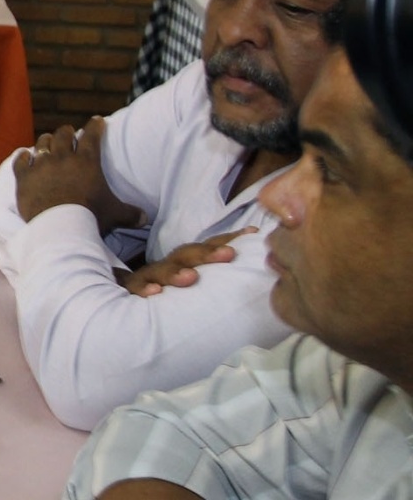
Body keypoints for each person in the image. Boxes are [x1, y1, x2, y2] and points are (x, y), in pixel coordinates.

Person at [0, 0, 410, 430]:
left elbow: (87, 379)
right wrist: (112, 287)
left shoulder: (350, 222)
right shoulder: (222, 94)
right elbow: (14, 187)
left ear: (390, 27)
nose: (234, 29)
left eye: (291, 7)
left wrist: (66, 225)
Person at [65, 40, 413, 498]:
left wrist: (60, 215)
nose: (275, 197)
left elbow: (86, 381)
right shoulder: (357, 371)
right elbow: (170, 431)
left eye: (329, 169)